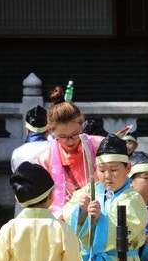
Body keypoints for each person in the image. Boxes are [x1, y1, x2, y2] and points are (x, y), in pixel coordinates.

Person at [63, 134, 148, 261]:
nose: (107, 176)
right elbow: (68, 216)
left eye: (114, 170)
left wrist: (99, 219)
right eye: (102, 170)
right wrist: (80, 212)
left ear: (128, 168)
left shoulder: (133, 199)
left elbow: (130, 227)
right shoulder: (88, 191)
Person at [37, 86, 105, 220]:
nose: (70, 141)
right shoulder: (45, 159)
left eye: (75, 134)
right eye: (62, 137)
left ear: (82, 123)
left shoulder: (99, 146)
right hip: (64, 220)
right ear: (51, 130)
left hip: (102, 213)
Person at [11, 105, 52, 216]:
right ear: (48, 129)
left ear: (27, 129)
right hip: (49, 206)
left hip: (23, 208)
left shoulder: (17, 152)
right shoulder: (54, 148)